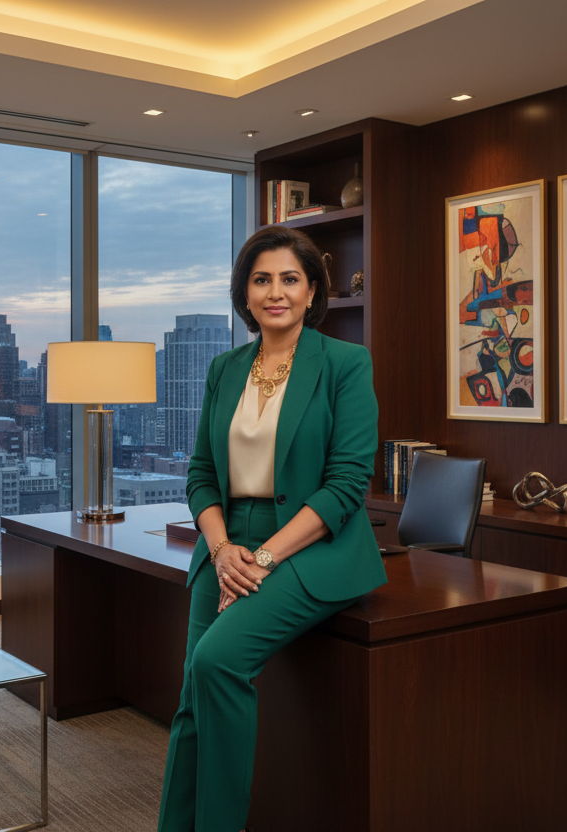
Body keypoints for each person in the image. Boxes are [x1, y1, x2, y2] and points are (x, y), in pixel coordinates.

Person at [157, 225, 387, 832]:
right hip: (227, 542)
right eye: (262, 280)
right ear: (246, 293)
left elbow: (345, 486)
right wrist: (223, 548)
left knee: (218, 663)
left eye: (290, 279)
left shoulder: (344, 363)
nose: (275, 292)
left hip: (309, 543)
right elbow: (201, 472)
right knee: (191, 704)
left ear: (313, 291)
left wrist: (261, 558)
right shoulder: (224, 368)